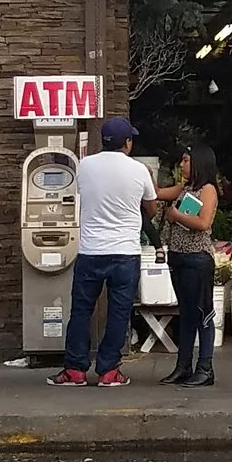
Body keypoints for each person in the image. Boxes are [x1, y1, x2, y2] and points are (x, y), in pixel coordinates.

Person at [48, 116, 156, 387]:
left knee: (81, 310)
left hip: (91, 251)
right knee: (119, 312)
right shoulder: (139, 170)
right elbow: (151, 209)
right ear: (127, 142)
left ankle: (75, 370)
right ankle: (109, 371)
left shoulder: (85, 165)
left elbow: (80, 193)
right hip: (125, 252)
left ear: (103, 141)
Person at [159, 144, 219, 387]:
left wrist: (176, 216)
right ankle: (183, 366)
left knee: (203, 314)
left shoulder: (207, 189)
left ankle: (205, 367)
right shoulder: (184, 188)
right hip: (178, 257)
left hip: (197, 258)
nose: (182, 165)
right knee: (185, 314)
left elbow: (203, 223)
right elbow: (158, 193)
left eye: (186, 160)